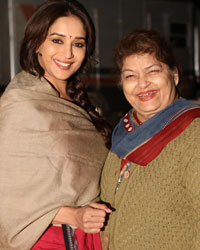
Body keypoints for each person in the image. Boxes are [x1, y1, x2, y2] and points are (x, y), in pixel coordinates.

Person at [0, 0, 112, 249]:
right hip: (49, 238)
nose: (68, 54)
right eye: (57, 40)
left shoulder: (80, 101)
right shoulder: (22, 103)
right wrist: (74, 215)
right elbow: (7, 195)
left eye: (78, 44)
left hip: (90, 235)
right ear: (37, 43)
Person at [100, 29, 200, 250]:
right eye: (130, 76)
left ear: (174, 75)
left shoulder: (193, 134)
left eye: (152, 71)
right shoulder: (123, 133)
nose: (143, 84)